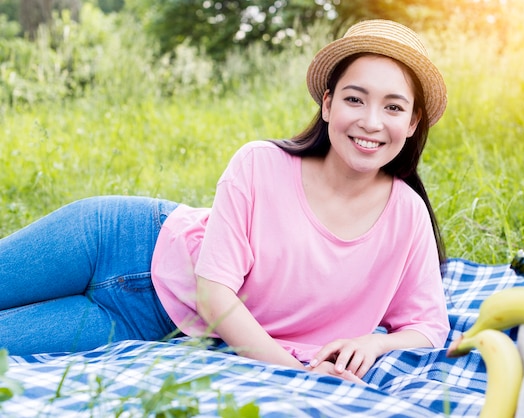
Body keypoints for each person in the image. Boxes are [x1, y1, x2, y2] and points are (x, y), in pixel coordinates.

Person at [0, 19, 450, 383]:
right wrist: (297, 374)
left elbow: (428, 327)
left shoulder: (406, 216)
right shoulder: (260, 164)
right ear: (328, 105)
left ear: (412, 123)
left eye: (393, 107)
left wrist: (375, 343)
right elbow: (214, 293)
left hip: (145, 322)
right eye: (356, 99)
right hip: (116, 239)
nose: (371, 121)